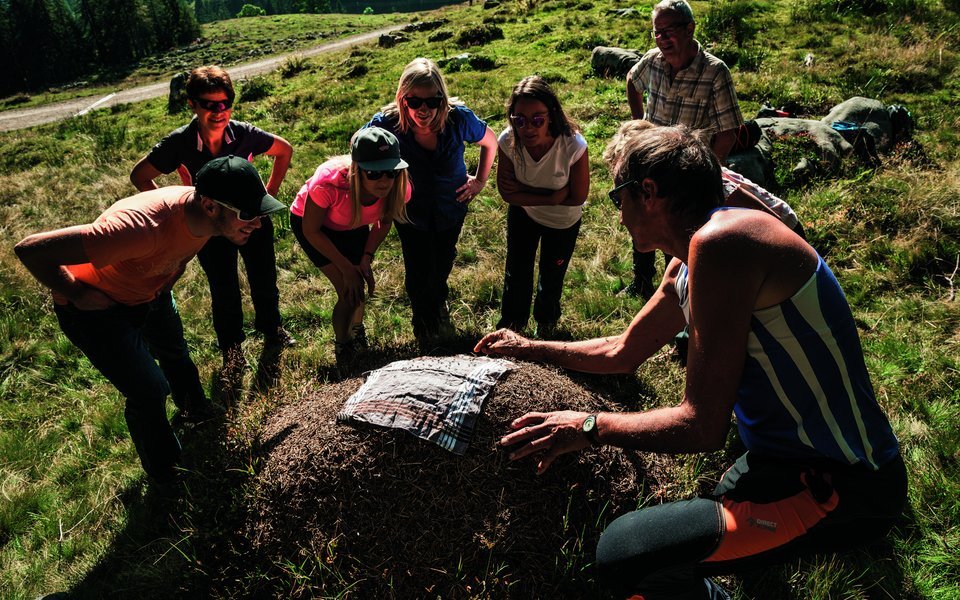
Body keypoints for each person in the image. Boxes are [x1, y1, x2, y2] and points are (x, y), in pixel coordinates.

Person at [475, 125, 905, 599]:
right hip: (777, 458)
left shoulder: (724, 242)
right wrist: (530, 347)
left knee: (623, 556)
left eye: (619, 199)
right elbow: (622, 353)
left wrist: (588, 426)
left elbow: (701, 427)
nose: (618, 216)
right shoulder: (689, 259)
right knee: (672, 545)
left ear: (649, 192)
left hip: (845, 481)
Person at [15, 156, 286, 493]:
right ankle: (166, 473)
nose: (258, 224)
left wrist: (164, 286)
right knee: (149, 390)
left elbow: (182, 252)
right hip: (97, 311)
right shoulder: (140, 228)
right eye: (248, 215)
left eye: (260, 213)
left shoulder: (204, 216)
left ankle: (195, 409)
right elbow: (31, 250)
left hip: (151, 293)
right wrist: (78, 294)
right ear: (210, 207)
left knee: (175, 352)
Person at [130, 65, 295, 378]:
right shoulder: (179, 142)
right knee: (224, 289)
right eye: (209, 104)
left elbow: (284, 150)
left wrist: (266, 194)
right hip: (212, 230)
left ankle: (272, 330)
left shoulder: (244, 133)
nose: (219, 112)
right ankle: (232, 351)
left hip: (251, 221)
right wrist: (177, 210)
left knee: (264, 277)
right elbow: (140, 176)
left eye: (225, 103)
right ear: (192, 104)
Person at [366, 57, 497, 343]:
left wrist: (480, 180)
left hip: (451, 206)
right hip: (410, 211)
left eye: (432, 101)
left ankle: (437, 299)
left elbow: (490, 141)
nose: (423, 110)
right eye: (414, 102)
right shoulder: (387, 124)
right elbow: (359, 150)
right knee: (416, 266)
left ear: (442, 98)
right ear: (403, 99)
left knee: (443, 258)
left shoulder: (458, 118)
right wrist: (377, 193)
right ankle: (423, 322)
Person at [624, 0, 745, 298]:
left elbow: (728, 130)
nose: (663, 39)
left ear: (690, 28)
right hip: (649, 159)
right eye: (657, 32)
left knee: (677, 234)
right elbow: (632, 81)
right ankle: (641, 281)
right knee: (641, 221)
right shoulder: (652, 61)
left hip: (685, 171)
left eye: (669, 30)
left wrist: (707, 169)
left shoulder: (715, 72)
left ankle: (676, 293)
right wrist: (639, 124)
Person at [290, 127, 411, 365]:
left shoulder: (401, 187)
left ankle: (357, 330)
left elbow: (384, 222)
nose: (384, 180)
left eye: (390, 172)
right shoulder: (328, 183)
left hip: (353, 222)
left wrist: (366, 257)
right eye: (374, 173)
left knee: (359, 287)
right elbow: (311, 230)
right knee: (348, 289)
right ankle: (343, 345)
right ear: (357, 170)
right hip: (316, 227)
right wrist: (346, 268)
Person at [495, 76, 590, 337]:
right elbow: (506, 192)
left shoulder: (573, 145)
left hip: (563, 223)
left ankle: (546, 325)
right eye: (520, 120)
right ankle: (512, 326)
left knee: (552, 274)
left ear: (552, 116)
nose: (528, 128)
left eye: (538, 119)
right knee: (517, 271)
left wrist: (524, 193)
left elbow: (578, 196)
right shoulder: (507, 142)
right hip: (524, 215)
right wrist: (551, 197)